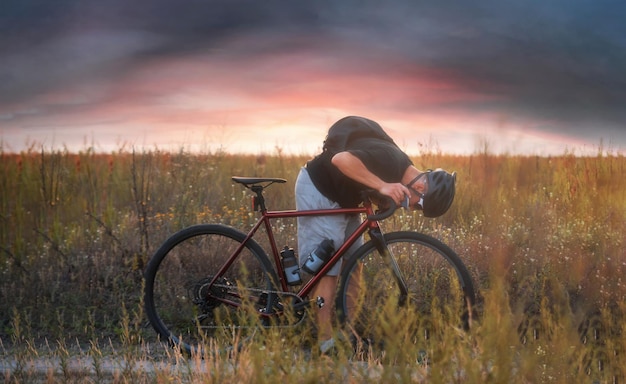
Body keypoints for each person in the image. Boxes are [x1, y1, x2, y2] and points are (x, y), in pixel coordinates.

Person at [295, 116, 456, 354]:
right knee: (329, 268)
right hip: (320, 188)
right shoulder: (389, 158)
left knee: (355, 263)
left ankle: (344, 334)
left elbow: (366, 175)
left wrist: (381, 194)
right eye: (418, 206)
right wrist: (382, 186)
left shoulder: (400, 167)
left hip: (345, 198)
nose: (412, 210)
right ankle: (325, 344)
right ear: (420, 188)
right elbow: (341, 159)